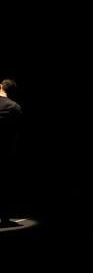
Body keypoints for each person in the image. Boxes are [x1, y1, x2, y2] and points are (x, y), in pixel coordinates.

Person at [0, 79, 23, 228]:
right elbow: (18, 132)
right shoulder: (14, 107)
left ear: (0, 87)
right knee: (4, 186)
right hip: (5, 152)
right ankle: (4, 219)